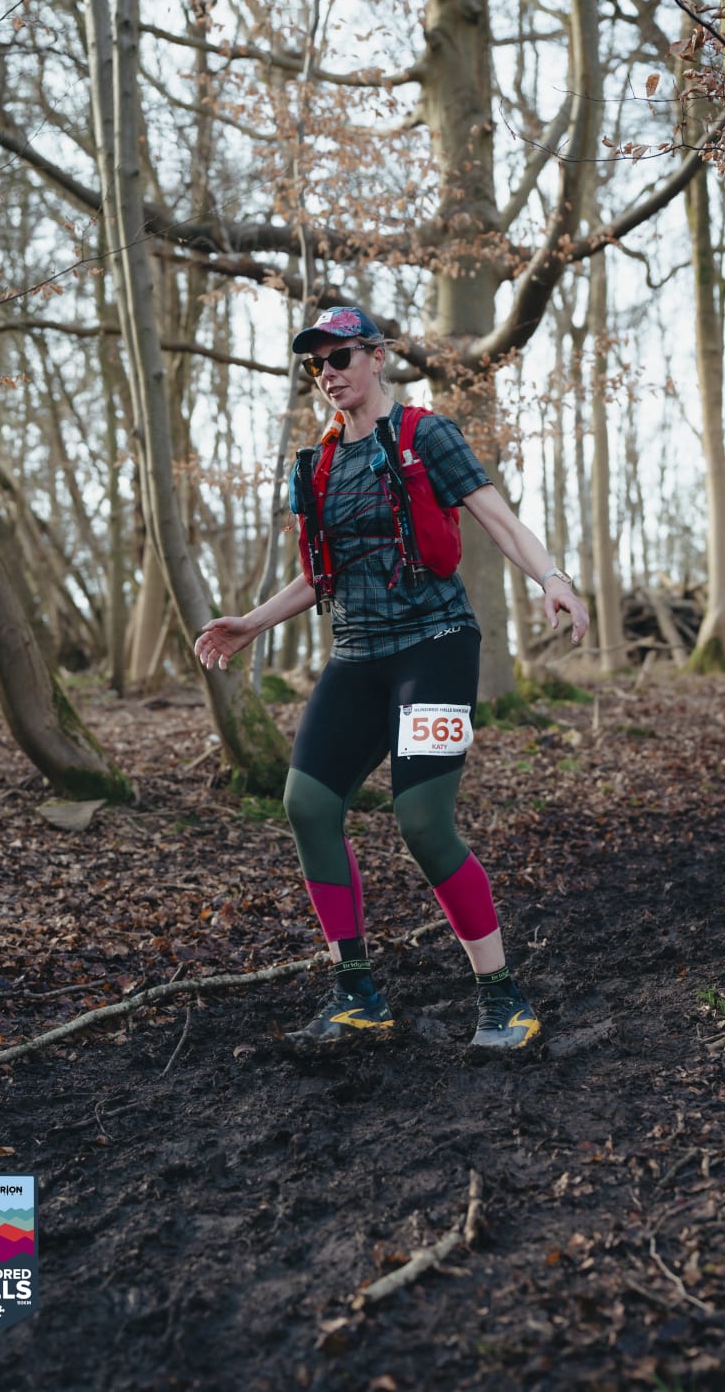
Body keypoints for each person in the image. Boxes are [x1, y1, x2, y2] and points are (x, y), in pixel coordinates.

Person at [194, 305, 590, 1051]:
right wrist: (251, 622)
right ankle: (357, 995)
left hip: (435, 645)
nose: (328, 373)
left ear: (377, 357)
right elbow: (319, 575)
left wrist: (554, 578)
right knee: (308, 804)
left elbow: (498, 519)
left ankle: (503, 999)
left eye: (341, 356)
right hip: (357, 654)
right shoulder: (314, 466)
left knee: (423, 823)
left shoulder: (424, 435)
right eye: (316, 363)